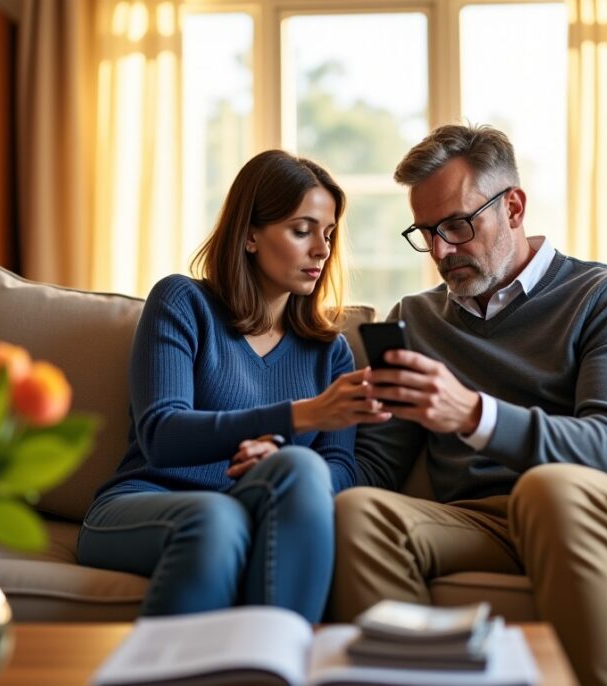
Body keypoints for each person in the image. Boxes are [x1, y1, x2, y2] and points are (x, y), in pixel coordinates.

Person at [328, 124, 607, 686]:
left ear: (514, 207)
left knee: (551, 489)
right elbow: (376, 469)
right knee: (360, 515)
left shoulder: (606, 296)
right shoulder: (416, 319)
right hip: (483, 519)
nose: (441, 251)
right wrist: (294, 459)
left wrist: (474, 415)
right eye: (425, 233)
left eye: (456, 225)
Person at [78, 150, 390, 622]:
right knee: (216, 521)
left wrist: (282, 461)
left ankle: (278, 664)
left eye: (327, 235)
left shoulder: (331, 351)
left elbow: (341, 468)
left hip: (251, 508)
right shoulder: (183, 303)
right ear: (249, 235)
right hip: (146, 504)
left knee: (303, 471)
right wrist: (298, 415)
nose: (322, 251)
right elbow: (162, 434)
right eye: (301, 230)